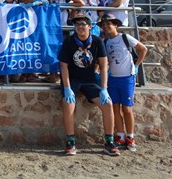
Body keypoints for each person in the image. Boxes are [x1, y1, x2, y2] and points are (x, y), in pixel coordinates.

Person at [58, 13, 118, 156]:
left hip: (90, 80)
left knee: (108, 103)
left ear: (90, 26)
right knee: (68, 102)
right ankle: (70, 142)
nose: (79, 27)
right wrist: (67, 88)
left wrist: (104, 88)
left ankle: (109, 142)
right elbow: (63, 66)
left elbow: (104, 66)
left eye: (83, 24)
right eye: (77, 24)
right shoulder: (69, 41)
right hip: (72, 80)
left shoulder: (97, 41)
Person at [99, 14, 148, 152]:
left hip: (127, 78)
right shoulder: (106, 42)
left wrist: (137, 65)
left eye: (109, 24)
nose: (107, 27)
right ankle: (120, 135)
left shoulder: (125, 37)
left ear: (116, 25)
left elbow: (143, 49)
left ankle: (130, 136)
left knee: (127, 109)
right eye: (104, 25)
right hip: (113, 78)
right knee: (115, 108)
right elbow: (105, 61)